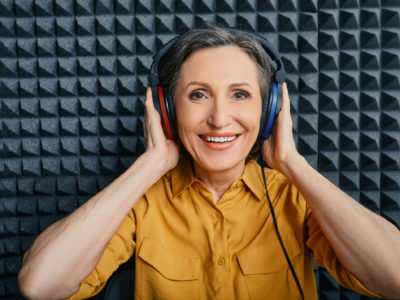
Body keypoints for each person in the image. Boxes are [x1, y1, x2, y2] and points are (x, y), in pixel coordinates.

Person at [18, 24, 400, 300]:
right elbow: (40, 285)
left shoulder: (294, 197)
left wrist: (292, 163)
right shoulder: (142, 201)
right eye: (198, 95)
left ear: (269, 110)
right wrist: (151, 163)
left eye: (240, 94)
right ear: (167, 109)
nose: (219, 118)